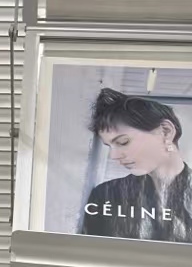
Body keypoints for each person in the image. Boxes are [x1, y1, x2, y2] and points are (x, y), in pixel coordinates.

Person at [79, 88, 192, 243]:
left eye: (123, 142)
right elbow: (89, 251)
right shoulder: (106, 195)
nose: (114, 156)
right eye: (109, 146)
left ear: (166, 131)